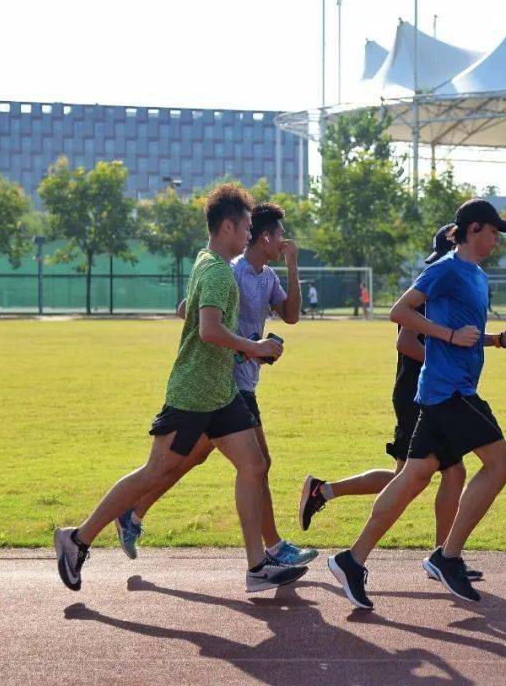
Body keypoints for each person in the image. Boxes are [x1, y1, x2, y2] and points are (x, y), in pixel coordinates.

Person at [53, 184, 307, 593]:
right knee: (157, 470)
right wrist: (255, 347)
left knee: (256, 465)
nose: (248, 235)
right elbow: (207, 330)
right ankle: (77, 538)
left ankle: (258, 565)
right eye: (245, 227)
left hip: (221, 392)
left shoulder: (211, 263)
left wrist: (248, 352)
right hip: (193, 392)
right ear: (228, 226)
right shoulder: (218, 271)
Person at [327, 199, 506, 610]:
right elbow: (399, 312)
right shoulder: (446, 268)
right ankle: (447, 556)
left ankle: (351, 559)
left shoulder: (477, 276)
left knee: (412, 479)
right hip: (449, 391)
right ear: (473, 229)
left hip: (447, 392)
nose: (496, 238)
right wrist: (447, 337)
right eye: (493, 231)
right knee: (500, 464)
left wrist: (498, 341)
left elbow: (467, 333)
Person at [113, 201, 317, 569]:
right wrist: (244, 346)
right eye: (280, 236)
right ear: (264, 236)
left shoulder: (268, 277)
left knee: (187, 459)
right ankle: (271, 549)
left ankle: (133, 512)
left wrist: (291, 264)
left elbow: (292, 317)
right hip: (224, 383)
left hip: (237, 385)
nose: (284, 241)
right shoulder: (230, 271)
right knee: (258, 463)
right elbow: (187, 310)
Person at [299, 224, 482, 582]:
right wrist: (447, 349)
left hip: (433, 391)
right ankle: (442, 557)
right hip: (420, 392)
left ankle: (325, 491)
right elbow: (405, 343)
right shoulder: (435, 282)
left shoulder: (452, 282)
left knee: (412, 476)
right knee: (447, 473)